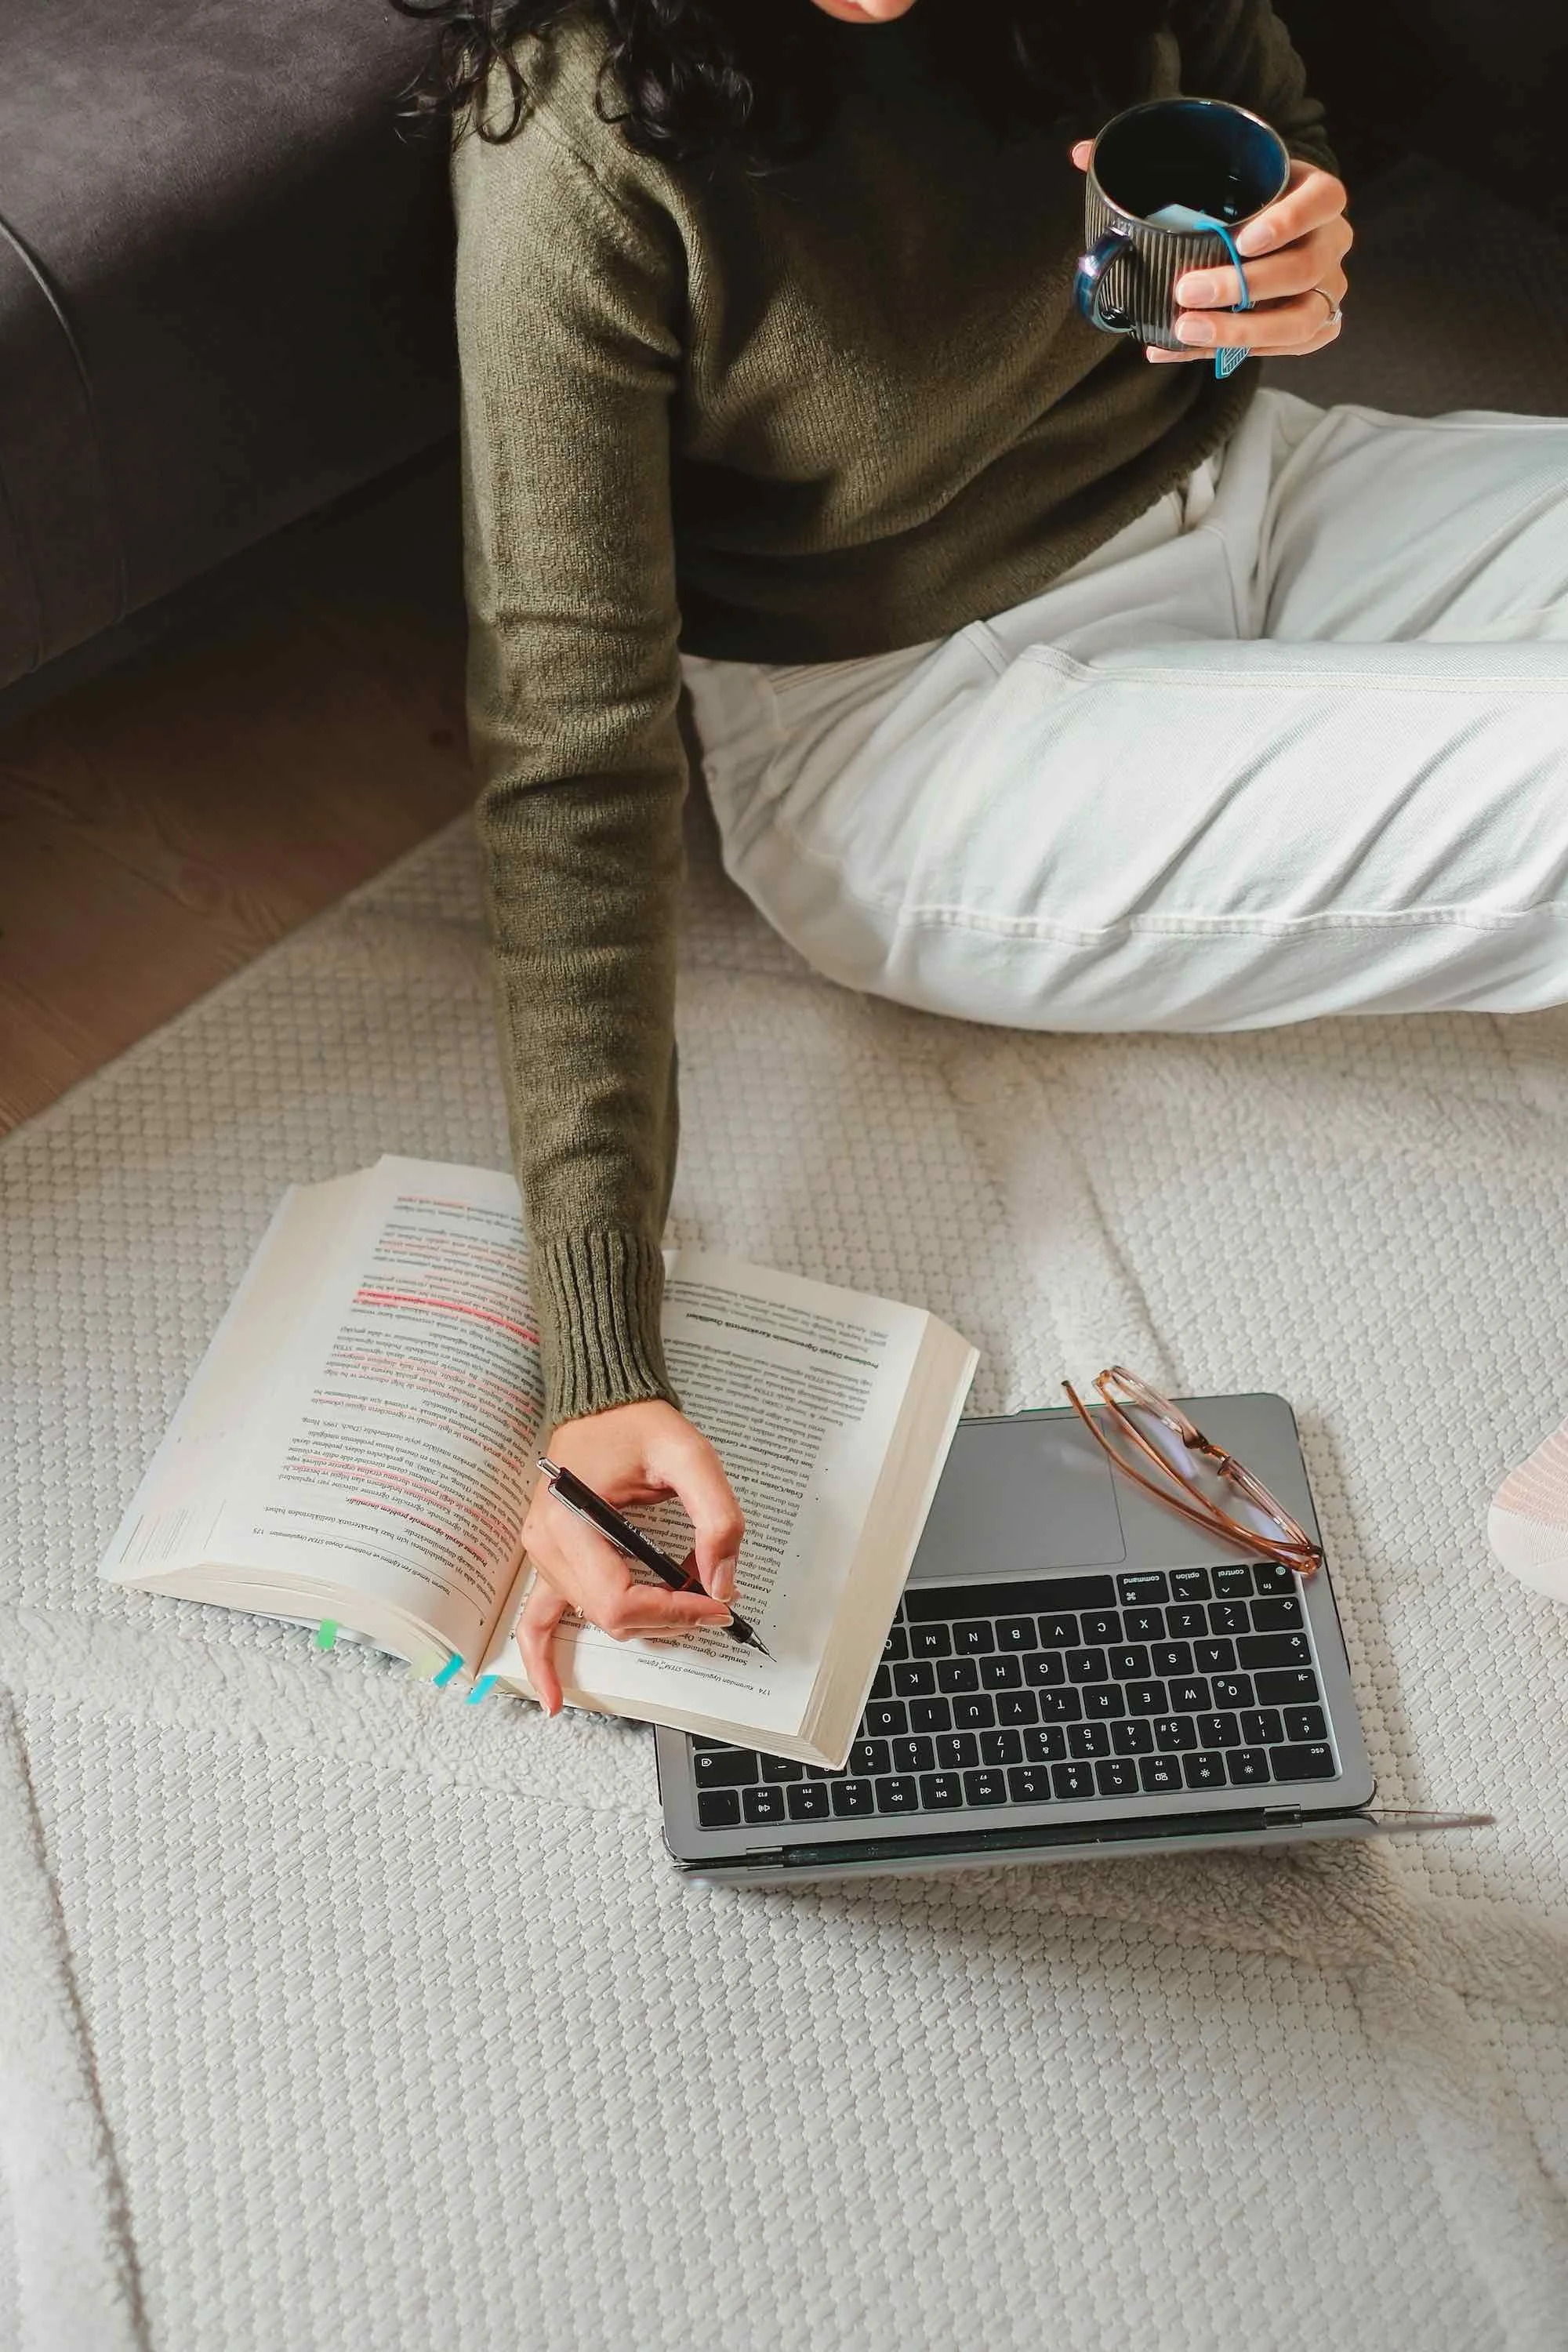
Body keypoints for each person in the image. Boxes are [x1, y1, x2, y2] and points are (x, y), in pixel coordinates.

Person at [405, 0, 1567, 1708]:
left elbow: (1272, 116)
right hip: (912, 721)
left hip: (1241, 486)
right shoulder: (574, 135)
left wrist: (1298, 242)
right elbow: (567, 750)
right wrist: (597, 1357)